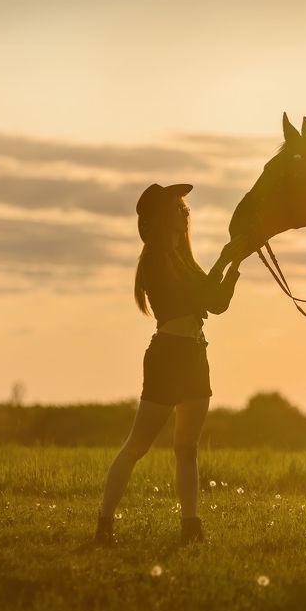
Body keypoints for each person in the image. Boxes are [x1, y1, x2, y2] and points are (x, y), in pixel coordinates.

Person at [94, 183, 239, 546]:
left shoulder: (184, 259)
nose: (185, 213)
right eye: (178, 208)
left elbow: (217, 303)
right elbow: (194, 297)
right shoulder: (156, 259)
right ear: (162, 217)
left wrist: (233, 265)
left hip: (194, 353)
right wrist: (223, 261)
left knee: (186, 448)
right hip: (168, 355)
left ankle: (190, 526)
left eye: (185, 208)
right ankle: (104, 524)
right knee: (137, 446)